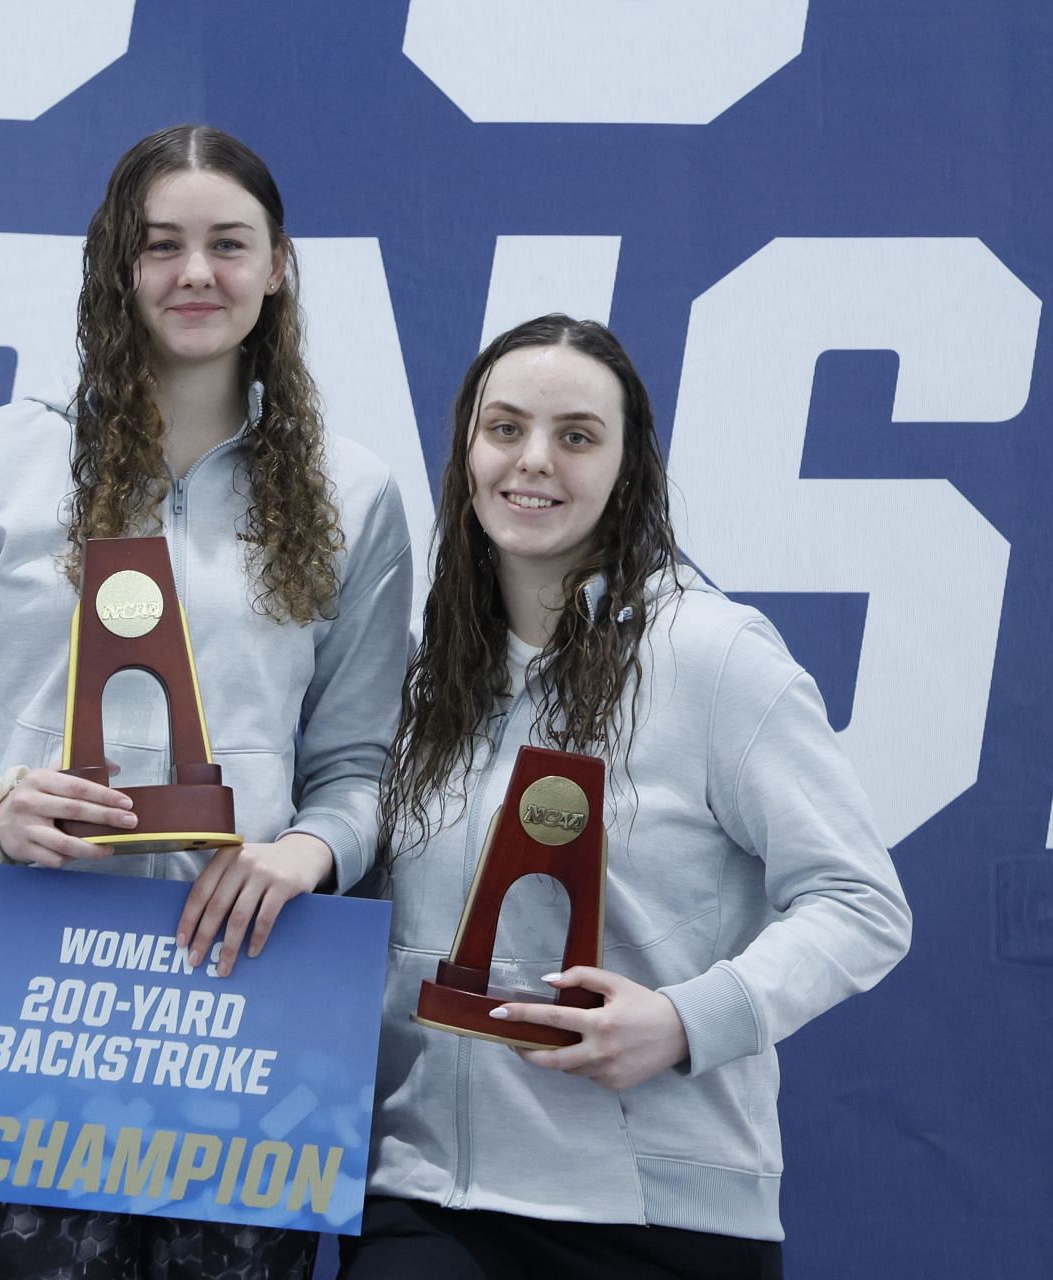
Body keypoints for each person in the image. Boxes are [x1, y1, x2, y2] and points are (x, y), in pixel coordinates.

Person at [0, 124, 413, 1279]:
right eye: (160, 245)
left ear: (279, 266)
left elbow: (364, 766)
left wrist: (310, 851)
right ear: (115, 266)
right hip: (29, 995)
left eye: (229, 244)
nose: (195, 274)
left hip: (246, 1004)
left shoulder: (355, 495)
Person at [343, 316, 911, 1280]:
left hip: (658, 1220)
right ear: (466, 453)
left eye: (575, 435)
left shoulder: (714, 659)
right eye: (505, 428)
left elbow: (861, 906)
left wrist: (688, 1021)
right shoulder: (419, 683)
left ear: (626, 466)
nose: (533, 462)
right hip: (430, 1200)